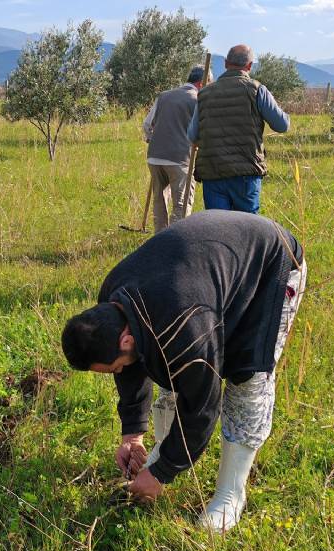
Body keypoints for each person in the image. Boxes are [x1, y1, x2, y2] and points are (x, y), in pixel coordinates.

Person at [61, 211, 306, 532]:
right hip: (211, 268)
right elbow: (132, 366)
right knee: (168, 363)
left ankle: (231, 494)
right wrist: (132, 433)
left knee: (247, 377)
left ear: (125, 339)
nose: (119, 371)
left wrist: (162, 473)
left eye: (115, 366)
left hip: (271, 266)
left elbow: (202, 406)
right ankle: (162, 452)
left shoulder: (186, 325)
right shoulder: (113, 297)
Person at [187, 45, 290, 214]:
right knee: (247, 229)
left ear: (226, 63)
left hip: (212, 172)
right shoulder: (257, 90)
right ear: (249, 66)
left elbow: (192, 134)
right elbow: (282, 125)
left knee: (218, 228)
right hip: (246, 172)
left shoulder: (204, 93)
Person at [142, 66, 205, 230]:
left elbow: (147, 124)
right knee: (181, 204)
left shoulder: (164, 96)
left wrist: (150, 138)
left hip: (154, 157)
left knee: (159, 200)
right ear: (202, 83)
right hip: (180, 158)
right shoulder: (198, 99)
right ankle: (176, 241)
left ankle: (160, 238)